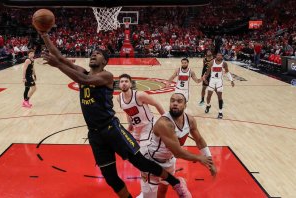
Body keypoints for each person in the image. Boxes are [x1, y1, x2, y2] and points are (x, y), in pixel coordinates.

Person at [40, 32, 213, 198]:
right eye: (92, 53)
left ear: (105, 61)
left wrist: (58, 64)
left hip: (111, 128)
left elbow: (82, 80)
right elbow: (61, 57)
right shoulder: (83, 72)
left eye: (98, 53)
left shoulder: (106, 76)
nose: (93, 55)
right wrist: (45, 35)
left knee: (140, 162)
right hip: (94, 134)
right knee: (110, 178)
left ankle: (174, 181)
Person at [140, 93, 217, 198]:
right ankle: (178, 182)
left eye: (179, 101)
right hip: (152, 161)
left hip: (169, 161)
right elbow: (178, 152)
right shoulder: (165, 123)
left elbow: (199, 140)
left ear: (185, 105)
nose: (175, 103)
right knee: (148, 197)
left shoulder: (190, 120)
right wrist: (199, 158)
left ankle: (178, 182)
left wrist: (209, 160)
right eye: (172, 101)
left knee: (163, 190)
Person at [117, 73, 166, 197]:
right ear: (119, 84)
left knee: (143, 154)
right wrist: (129, 125)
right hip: (136, 129)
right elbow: (128, 112)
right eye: (121, 81)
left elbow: (157, 104)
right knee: (136, 156)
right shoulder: (119, 98)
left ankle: (150, 189)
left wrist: (167, 119)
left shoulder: (139, 95)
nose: (123, 83)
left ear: (130, 83)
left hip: (148, 125)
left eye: (126, 81)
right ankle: (146, 190)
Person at [203, 52, 235, 119]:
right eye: (218, 55)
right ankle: (208, 105)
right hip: (212, 80)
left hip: (219, 80)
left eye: (220, 55)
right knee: (209, 96)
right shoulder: (212, 62)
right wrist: (205, 78)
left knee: (219, 97)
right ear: (216, 56)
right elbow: (208, 71)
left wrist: (231, 80)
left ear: (222, 56)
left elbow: (227, 72)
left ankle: (220, 112)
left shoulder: (224, 63)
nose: (219, 56)